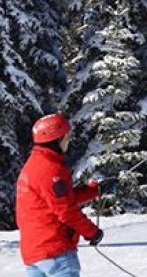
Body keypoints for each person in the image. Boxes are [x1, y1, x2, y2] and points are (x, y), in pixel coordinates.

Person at [16, 113, 111, 277]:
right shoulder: (51, 169)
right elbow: (66, 210)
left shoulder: (35, 164)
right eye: (67, 136)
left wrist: (95, 190)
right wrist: (92, 232)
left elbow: (57, 199)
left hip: (34, 254)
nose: (69, 140)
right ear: (58, 138)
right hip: (55, 252)